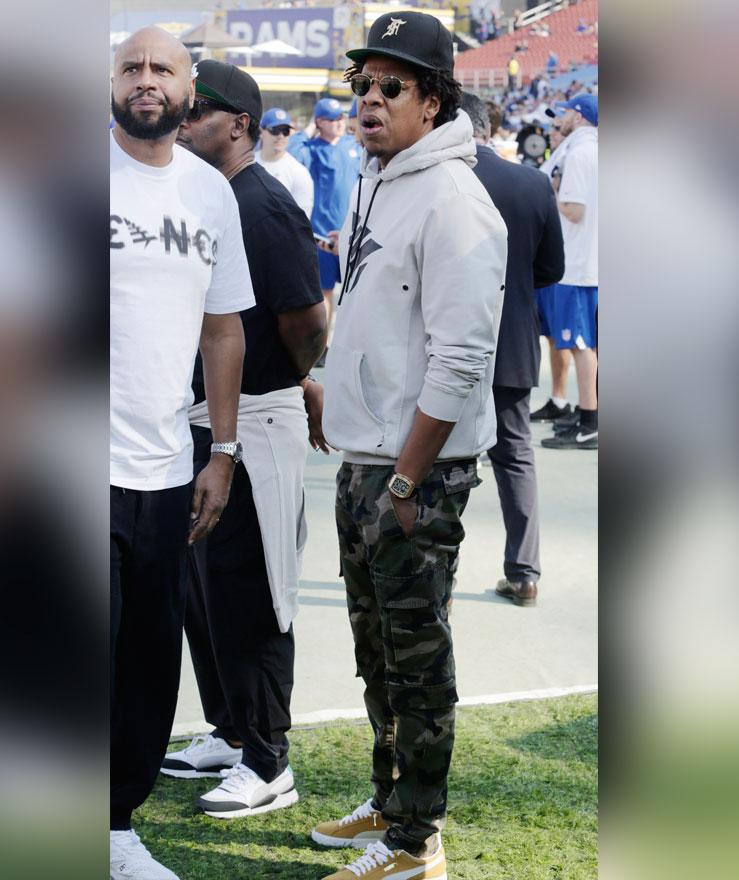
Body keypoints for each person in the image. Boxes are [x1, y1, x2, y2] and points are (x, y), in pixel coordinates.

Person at [310, 13, 507, 880]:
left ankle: (418, 837)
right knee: (375, 650)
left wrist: (405, 479)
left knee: (417, 656)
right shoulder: (377, 176)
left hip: (415, 471)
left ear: (433, 99)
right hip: (368, 460)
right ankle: (390, 801)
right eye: (362, 85)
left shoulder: (456, 199)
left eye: (391, 87)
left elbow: (465, 355)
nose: (370, 101)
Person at [161, 59, 328, 820]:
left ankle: (269, 759)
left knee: (253, 593)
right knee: (206, 595)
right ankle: (231, 732)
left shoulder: (262, 206)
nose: (185, 119)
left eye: (201, 111)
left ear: (239, 125)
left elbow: (307, 320)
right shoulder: (209, 198)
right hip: (206, 422)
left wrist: (286, 380)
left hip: (255, 421)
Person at [109, 28, 252, 880]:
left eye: (162, 69)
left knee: (147, 663)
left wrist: (222, 451)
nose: (146, 80)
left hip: (165, 470)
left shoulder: (209, 195)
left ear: (188, 89)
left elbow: (224, 328)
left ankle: (115, 826)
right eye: (132, 67)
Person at [460, 93, 564, 607]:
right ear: (490, 125)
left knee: (436, 456)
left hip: (447, 342)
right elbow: (552, 269)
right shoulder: (531, 181)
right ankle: (524, 574)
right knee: (515, 456)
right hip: (512, 340)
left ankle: (437, 576)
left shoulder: (437, 180)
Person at [541, 93, 599, 450]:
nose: (559, 118)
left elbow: (574, 210)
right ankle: (585, 413)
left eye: (564, 112)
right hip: (589, 260)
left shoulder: (579, 153)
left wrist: (552, 191)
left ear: (577, 117)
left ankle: (590, 419)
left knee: (580, 345)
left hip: (576, 263)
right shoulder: (593, 149)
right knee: (585, 344)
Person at [290, 96, 362, 340]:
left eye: (340, 117)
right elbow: (292, 153)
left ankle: (352, 339)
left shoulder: (354, 145)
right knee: (325, 292)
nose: (339, 122)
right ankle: (324, 344)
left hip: (352, 233)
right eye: (332, 119)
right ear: (320, 122)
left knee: (356, 292)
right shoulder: (311, 149)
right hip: (322, 233)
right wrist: (310, 128)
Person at [254, 106, 314, 219]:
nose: (280, 136)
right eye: (275, 130)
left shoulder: (299, 172)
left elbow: (302, 220)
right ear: (261, 132)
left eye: (285, 131)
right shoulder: (248, 163)